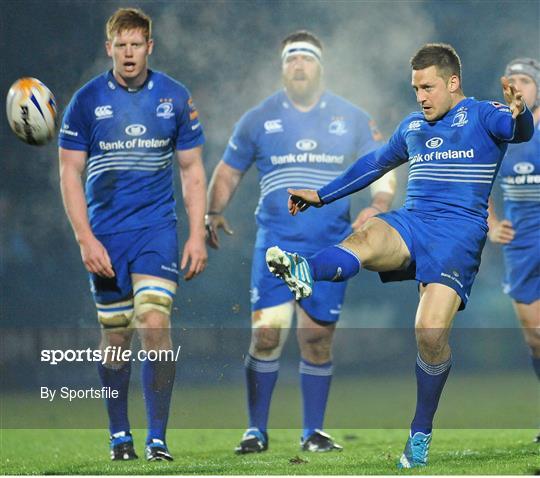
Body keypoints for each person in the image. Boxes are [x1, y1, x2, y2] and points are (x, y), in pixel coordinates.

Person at [264, 43, 534, 467]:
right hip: (413, 221)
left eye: (428, 87)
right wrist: (320, 195)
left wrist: (522, 113)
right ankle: (305, 268)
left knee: (429, 334)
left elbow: (517, 130)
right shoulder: (413, 126)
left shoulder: (483, 114)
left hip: (457, 237)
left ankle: (420, 433)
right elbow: (374, 164)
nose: (421, 97)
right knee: (369, 234)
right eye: (415, 89)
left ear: (452, 82)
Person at [205, 30, 396, 454]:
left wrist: (378, 203)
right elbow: (228, 170)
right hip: (275, 246)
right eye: (292, 58)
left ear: (319, 66)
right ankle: (255, 430)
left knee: (316, 339)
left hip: (329, 248)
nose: (299, 64)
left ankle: (313, 432)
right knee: (266, 336)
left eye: (306, 57)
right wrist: (212, 212)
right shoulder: (258, 118)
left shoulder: (350, 117)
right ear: (282, 67)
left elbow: (383, 163)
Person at [58, 8, 207, 462]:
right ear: (109, 49)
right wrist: (85, 238)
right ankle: (119, 435)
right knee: (117, 335)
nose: (128, 52)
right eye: (120, 45)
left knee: (155, 323)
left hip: (156, 232)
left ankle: (157, 438)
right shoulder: (85, 102)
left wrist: (196, 234)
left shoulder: (175, 98)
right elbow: (69, 172)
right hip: (105, 237)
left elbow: (193, 171)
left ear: (149, 47)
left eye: (136, 44)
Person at [486, 58, 540, 442]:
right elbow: (478, 181)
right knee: (535, 336)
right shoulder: (498, 132)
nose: (519, 85)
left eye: (527, 80)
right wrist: (491, 224)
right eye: (514, 80)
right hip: (520, 244)